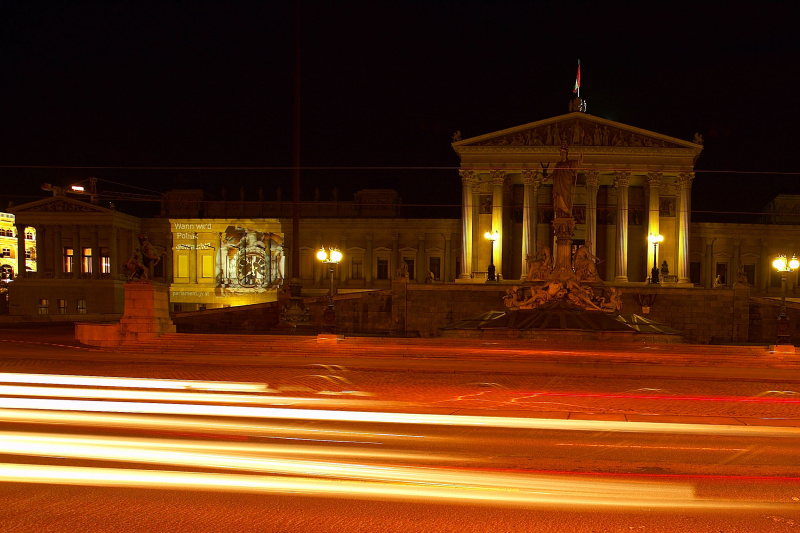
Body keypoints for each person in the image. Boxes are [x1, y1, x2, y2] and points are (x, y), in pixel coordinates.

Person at [544, 142, 577, 218]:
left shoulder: (569, 163)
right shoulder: (558, 164)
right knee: (558, 199)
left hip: (566, 185)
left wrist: (575, 172)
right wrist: (547, 178)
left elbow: (574, 171)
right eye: (561, 154)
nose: (562, 155)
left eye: (564, 154)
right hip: (558, 185)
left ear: (566, 154)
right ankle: (559, 214)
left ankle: (567, 213)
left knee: (565, 198)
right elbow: (554, 173)